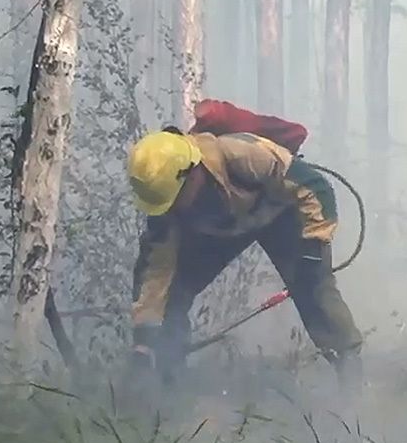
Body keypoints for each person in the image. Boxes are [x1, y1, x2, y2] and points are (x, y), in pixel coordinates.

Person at [126, 127, 363, 382]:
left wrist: (313, 248)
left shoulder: (243, 155)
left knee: (313, 285)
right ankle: (169, 381)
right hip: (221, 230)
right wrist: (144, 338)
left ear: (192, 173)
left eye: (175, 198)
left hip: (279, 214)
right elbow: (155, 273)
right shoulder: (166, 208)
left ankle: (350, 373)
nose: (171, 208)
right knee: (173, 294)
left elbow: (315, 188)